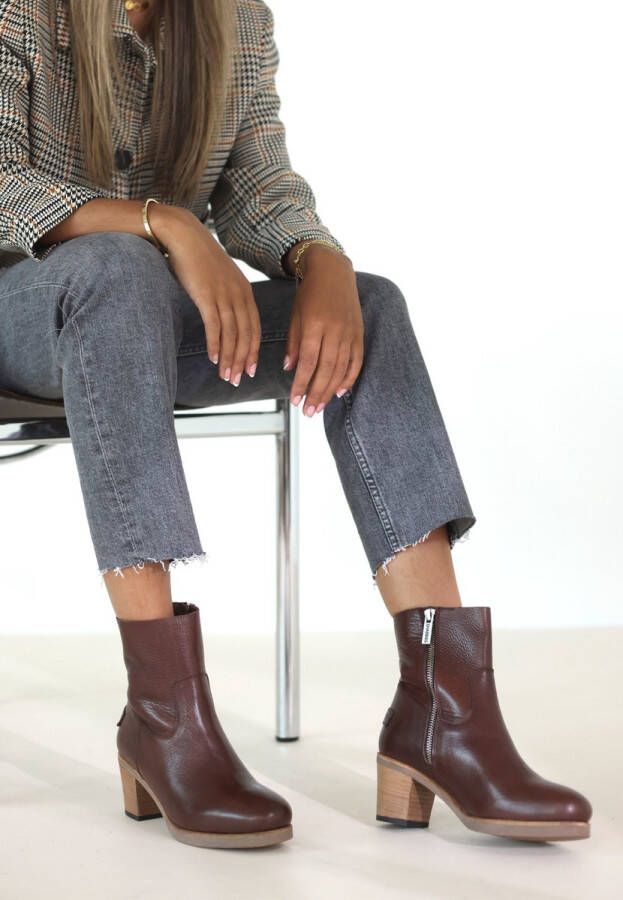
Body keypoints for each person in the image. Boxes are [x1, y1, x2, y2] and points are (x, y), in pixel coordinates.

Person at [0, 0, 591, 848]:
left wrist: (321, 259)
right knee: (118, 271)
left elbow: (257, 187)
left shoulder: (233, 19)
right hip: (22, 314)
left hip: (154, 321)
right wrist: (162, 223)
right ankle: (164, 718)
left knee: (369, 310)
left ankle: (444, 714)